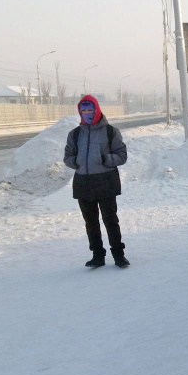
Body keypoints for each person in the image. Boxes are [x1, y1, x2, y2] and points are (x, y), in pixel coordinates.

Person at [64, 95, 130, 268]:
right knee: (91, 222)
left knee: (110, 220)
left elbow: (122, 156)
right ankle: (97, 255)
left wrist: (104, 158)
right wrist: (75, 162)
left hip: (105, 181)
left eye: (89, 110)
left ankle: (118, 255)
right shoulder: (75, 134)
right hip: (83, 183)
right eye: (83, 110)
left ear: (97, 110)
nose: (86, 113)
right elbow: (67, 157)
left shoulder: (110, 132)